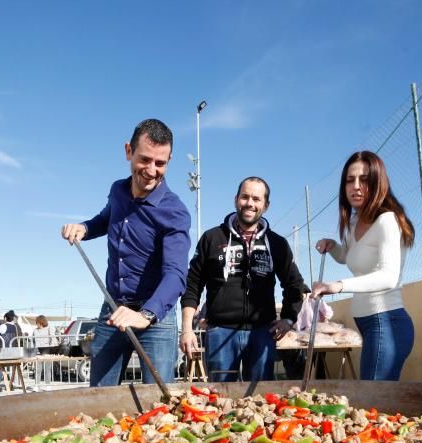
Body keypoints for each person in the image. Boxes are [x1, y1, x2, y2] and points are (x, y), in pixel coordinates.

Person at [61, 119, 191, 386]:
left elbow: (176, 274)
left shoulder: (175, 212)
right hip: (113, 309)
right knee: (99, 395)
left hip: (156, 317)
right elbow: (107, 218)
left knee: (159, 403)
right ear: (128, 151)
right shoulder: (118, 190)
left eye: (161, 163)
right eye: (145, 159)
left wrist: (145, 315)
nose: (152, 170)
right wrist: (84, 228)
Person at [180, 177, 307, 382]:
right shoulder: (212, 238)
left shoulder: (277, 244)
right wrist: (186, 330)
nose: (250, 203)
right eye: (245, 197)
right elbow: (192, 285)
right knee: (219, 399)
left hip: (262, 334)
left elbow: (294, 285)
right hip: (219, 332)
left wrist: (288, 319)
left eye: (257, 199)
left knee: (259, 400)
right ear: (236, 199)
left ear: (265, 205)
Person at [313, 151, 416, 381]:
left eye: (364, 179)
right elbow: (347, 258)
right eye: (350, 180)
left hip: (387, 323)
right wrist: (333, 246)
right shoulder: (353, 221)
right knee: (375, 403)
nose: (356, 186)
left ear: (378, 182)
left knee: (372, 402)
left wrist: (338, 285)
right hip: (369, 324)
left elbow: (389, 276)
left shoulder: (387, 220)